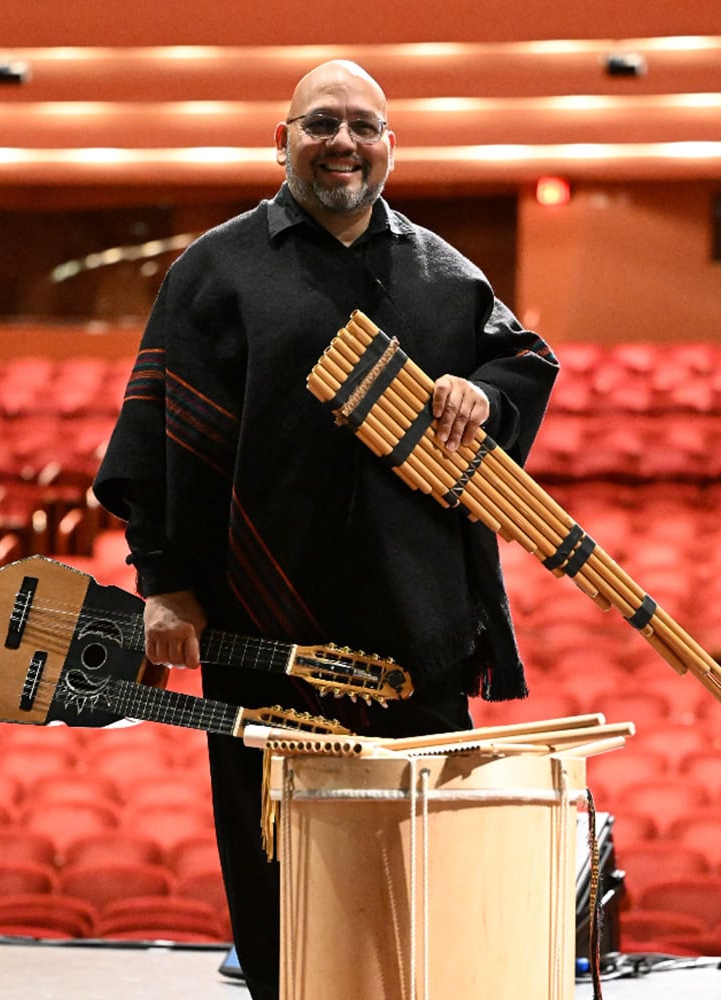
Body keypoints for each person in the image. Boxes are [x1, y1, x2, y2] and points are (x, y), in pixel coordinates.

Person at [93, 59, 559, 1000]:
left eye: (362, 125)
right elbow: (156, 439)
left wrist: (484, 395)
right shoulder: (214, 269)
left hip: (417, 625)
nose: (342, 141)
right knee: (274, 872)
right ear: (283, 141)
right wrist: (165, 581)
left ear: (390, 143)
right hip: (256, 630)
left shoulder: (443, 270)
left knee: (418, 870)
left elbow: (523, 362)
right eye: (319, 124)